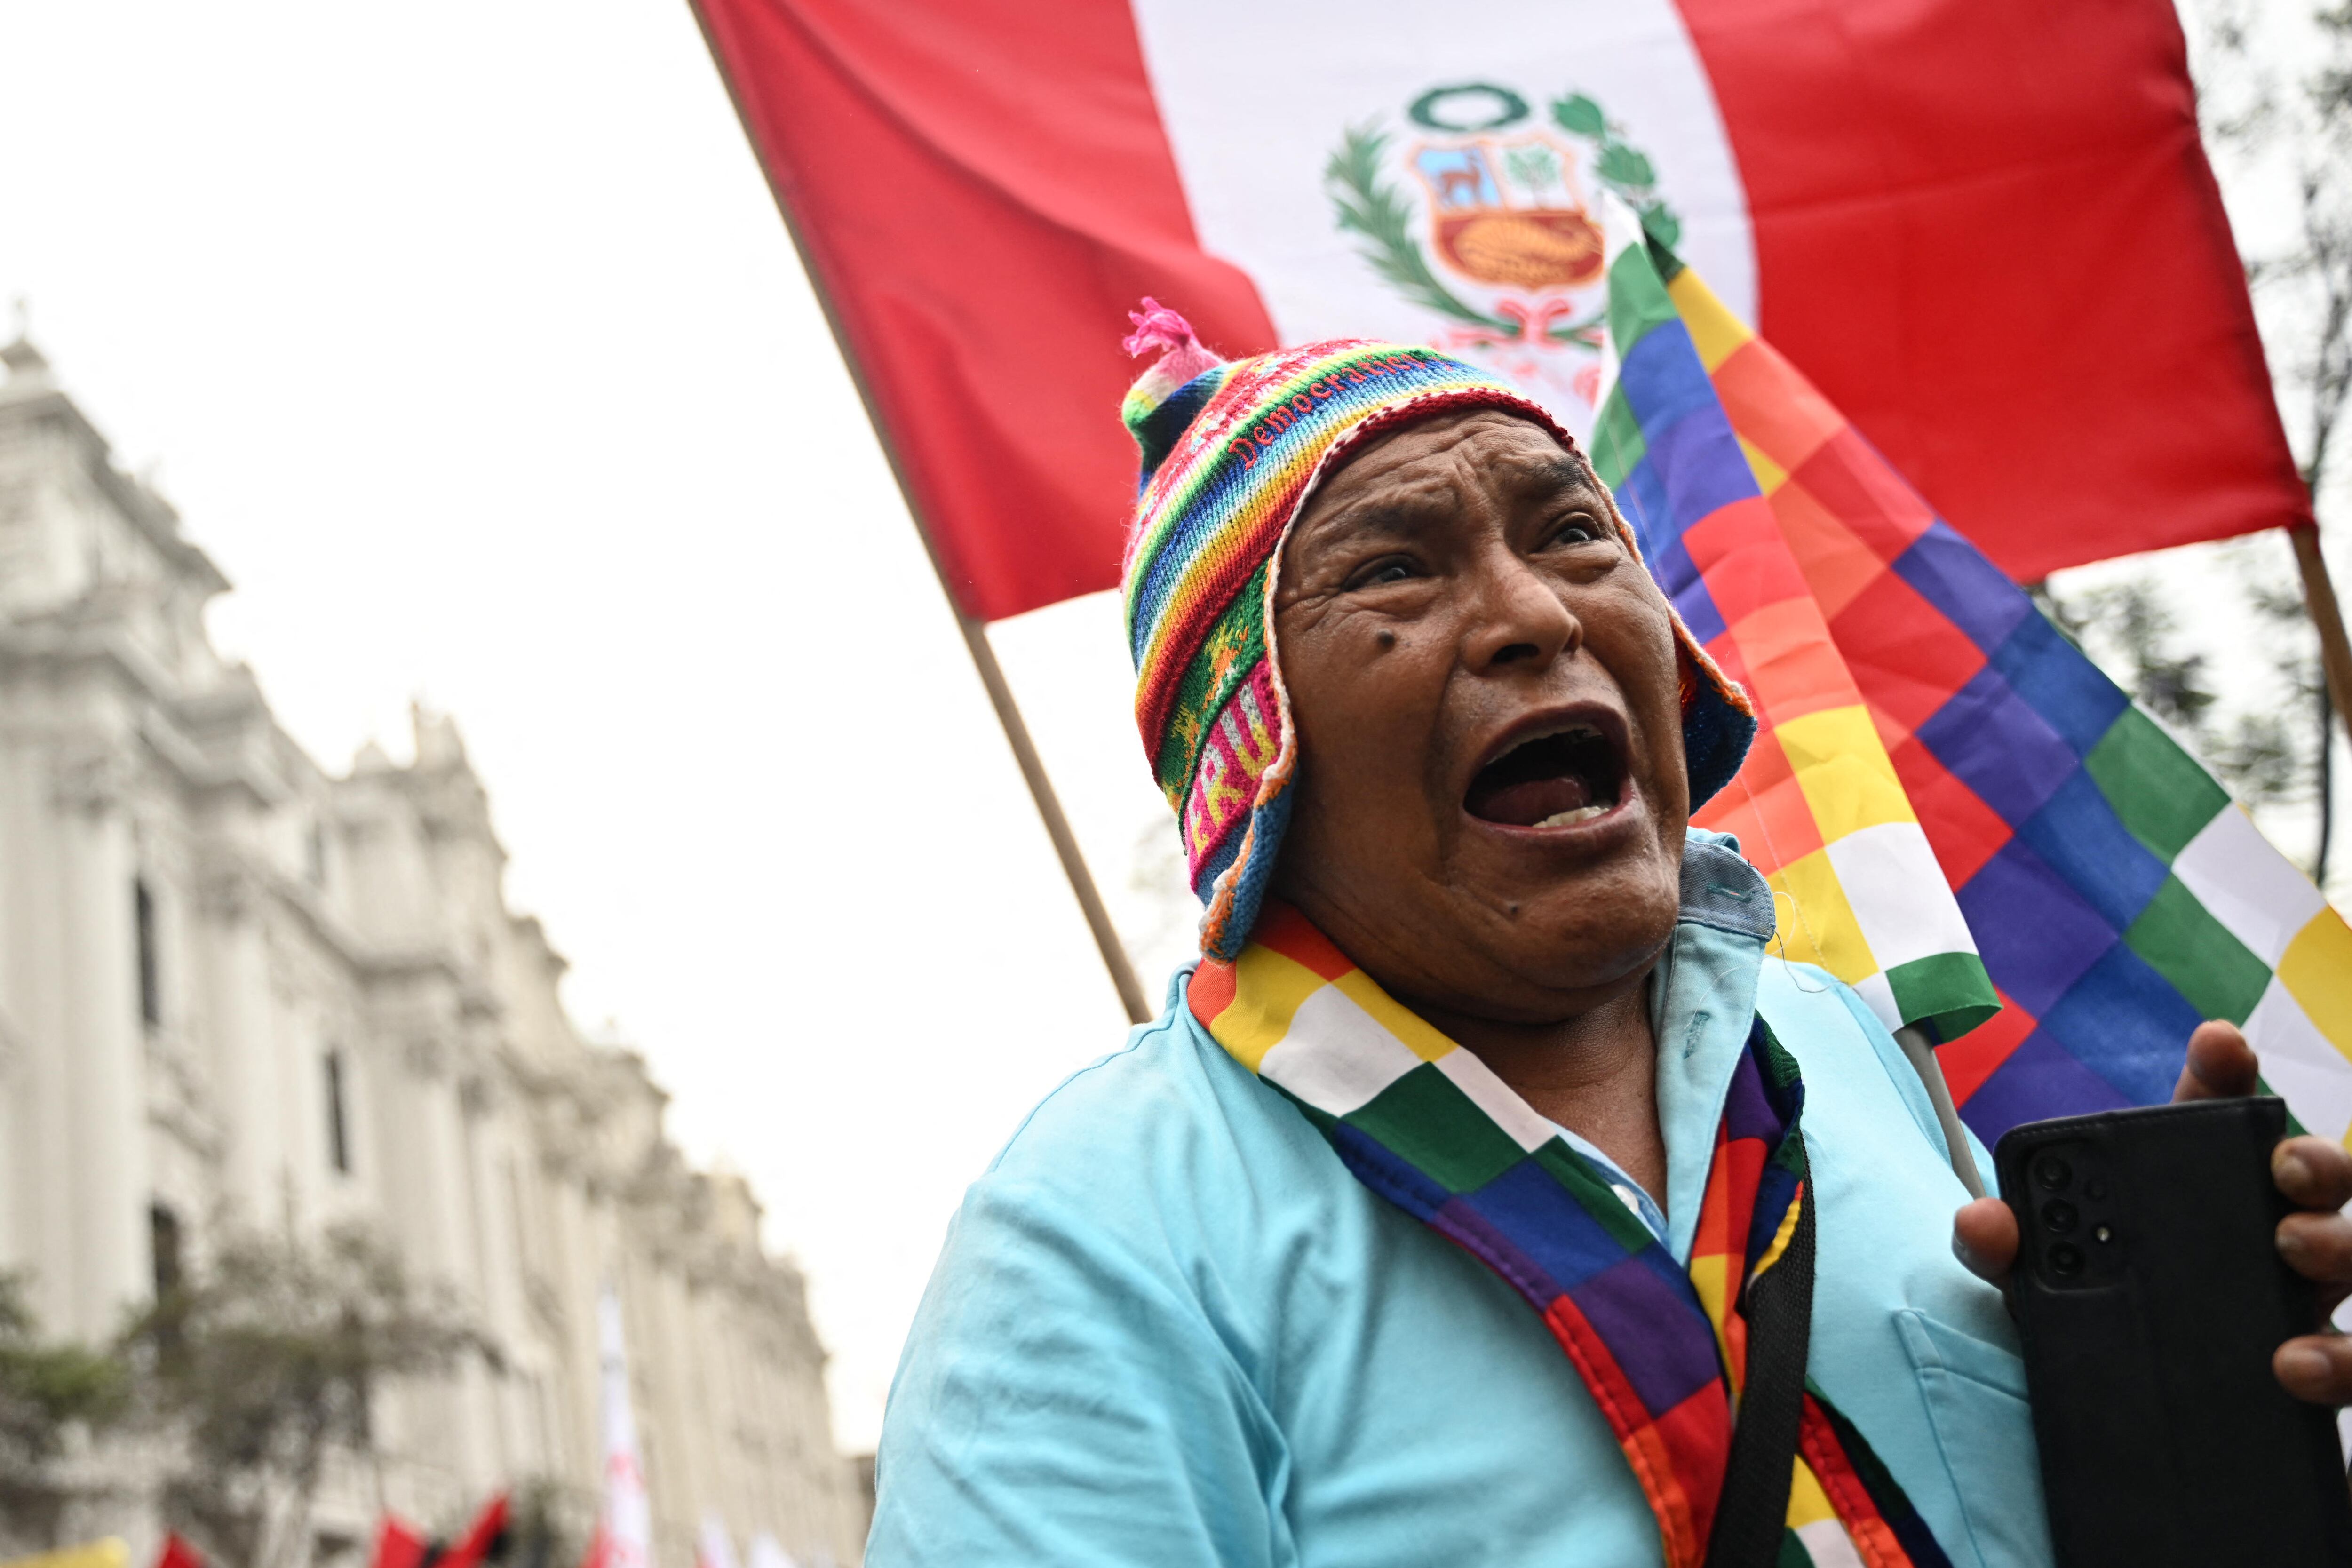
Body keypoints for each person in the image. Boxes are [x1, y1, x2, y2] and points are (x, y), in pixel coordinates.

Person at [865, 310, 2352, 1567]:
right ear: (1256, 749)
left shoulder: (1839, 1043)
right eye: (1395, 569)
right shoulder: (1097, 1229)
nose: (1532, 615)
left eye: (1575, 536)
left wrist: (2191, 1391)